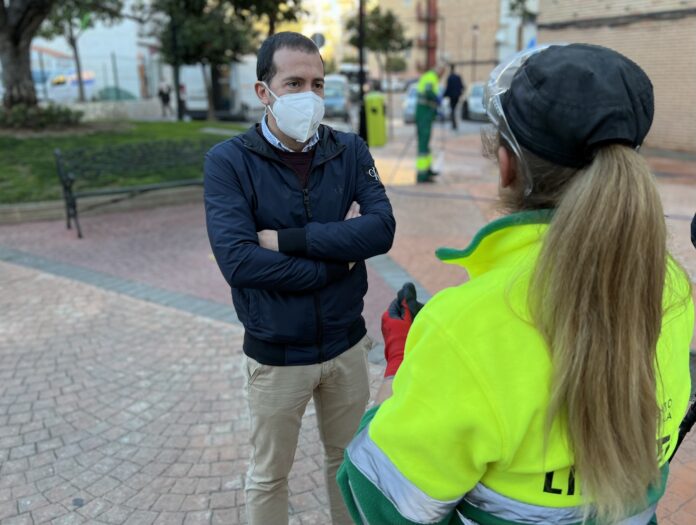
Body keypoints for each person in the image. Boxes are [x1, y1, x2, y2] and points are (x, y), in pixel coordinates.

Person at [338, 43, 694, 524]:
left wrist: (399, 370)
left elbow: (382, 503)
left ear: (506, 166)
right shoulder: (671, 287)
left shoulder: (467, 326)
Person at [204, 31, 395, 525]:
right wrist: (338, 259)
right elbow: (240, 263)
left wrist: (288, 241)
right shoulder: (228, 162)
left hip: (345, 346)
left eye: (317, 84)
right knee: (269, 475)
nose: (307, 96)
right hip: (276, 353)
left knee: (348, 463)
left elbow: (381, 228)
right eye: (293, 83)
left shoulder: (348, 150)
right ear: (263, 91)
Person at [415, 63, 446, 183]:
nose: (442, 76)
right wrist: (437, 98)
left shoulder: (430, 77)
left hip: (426, 114)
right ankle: (422, 175)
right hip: (423, 115)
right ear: (439, 71)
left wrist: (436, 111)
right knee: (423, 144)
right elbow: (428, 92)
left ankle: (427, 170)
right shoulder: (431, 77)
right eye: (442, 73)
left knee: (426, 144)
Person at [443, 65, 464, 131]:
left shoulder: (450, 78)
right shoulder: (458, 77)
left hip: (452, 96)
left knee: (452, 109)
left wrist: (444, 95)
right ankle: (454, 124)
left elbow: (448, 88)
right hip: (457, 96)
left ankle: (454, 124)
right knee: (454, 109)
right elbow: (462, 86)